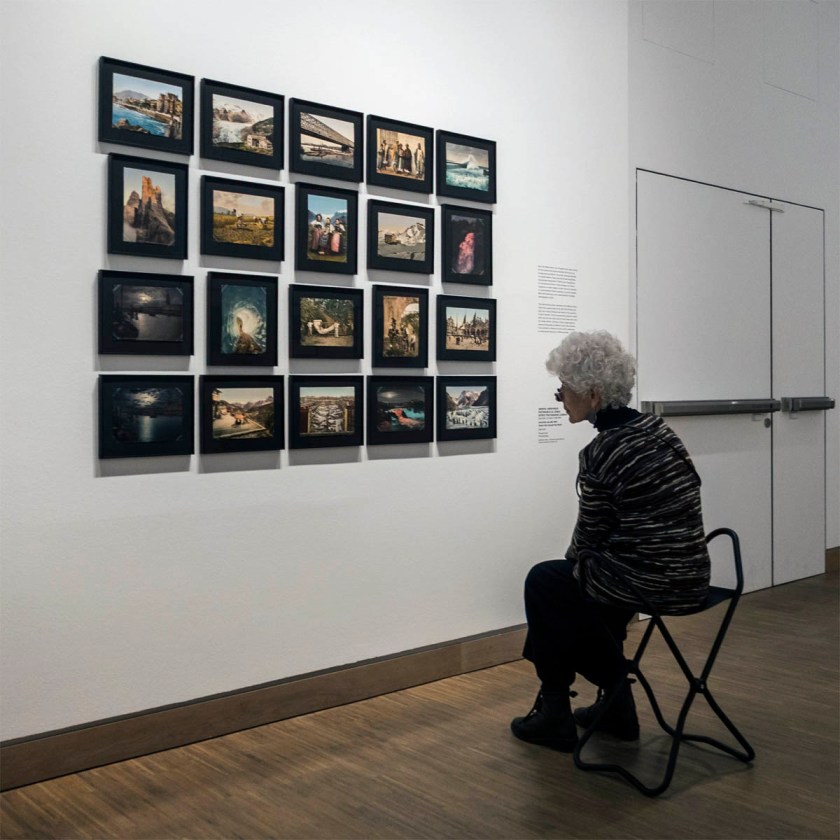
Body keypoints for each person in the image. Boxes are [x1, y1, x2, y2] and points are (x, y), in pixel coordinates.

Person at [511, 330, 710, 752]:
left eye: (564, 389)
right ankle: (614, 709)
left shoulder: (605, 451)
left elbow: (586, 539)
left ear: (594, 394)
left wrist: (576, 567)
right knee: (584, 587)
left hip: (652, 582)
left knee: (546, 584)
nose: (559, 397)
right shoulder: (657, 430)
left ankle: (564, 709)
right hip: (693, 574)